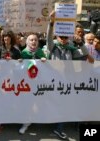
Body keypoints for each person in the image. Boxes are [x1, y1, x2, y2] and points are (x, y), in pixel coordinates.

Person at [46, 10, 93, 140]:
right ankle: (53, 125)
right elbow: (48, 38)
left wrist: (80, 43)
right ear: (57, 36)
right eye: (61, 36)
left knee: (63, 105)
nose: (63, 39)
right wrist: (51, 22)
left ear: (69, 38)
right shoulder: (52, 47)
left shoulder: (72, 49)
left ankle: (58, 128)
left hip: (67, 82)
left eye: (66, 37)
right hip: (53, 81)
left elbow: (83, 54)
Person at [18, 34, 47, 135]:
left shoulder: (40, 52)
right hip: (26, 84)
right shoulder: (23, 52)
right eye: (31, 40)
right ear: (27, 42)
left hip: (38, 83)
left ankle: (32, 121)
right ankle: (25, 124)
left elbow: (46, 66)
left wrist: (44, 60)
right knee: (27, 103)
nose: (33, 42)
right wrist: (19, 61)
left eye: (35, 40)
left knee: (36, 103)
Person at [0, 30, 21, 134]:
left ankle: (10, 119)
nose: (6, 39)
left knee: (11, 102)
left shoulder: (16, 51)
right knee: (0, 102)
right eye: (4, 37)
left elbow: (21, 64)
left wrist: (18, 62)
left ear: (11, 39)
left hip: (13, 81)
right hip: (1, 81)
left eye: (8, 37)